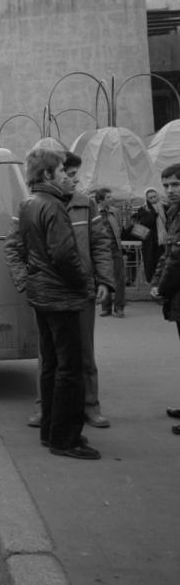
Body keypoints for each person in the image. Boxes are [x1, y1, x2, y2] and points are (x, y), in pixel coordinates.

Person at [7, 151, 114, 430]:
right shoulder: (32, 206)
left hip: (83, 292)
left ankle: (91, 406)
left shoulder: (85, 205)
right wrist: (25, 280)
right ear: (51, 174)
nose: (71, 178)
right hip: (55, 292)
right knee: (51, 356)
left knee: (84, 354)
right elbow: (13, 249)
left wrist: (104, 281)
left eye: (73, 173)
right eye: (65, 172)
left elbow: (100, 244)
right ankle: (46, 409)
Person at [149, 163, 180, 436]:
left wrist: (162, 288)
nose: (169, 190)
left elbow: (177, 258)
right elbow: (168, 252)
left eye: (175, 184)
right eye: (166, 184)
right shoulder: (173, 212)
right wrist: (157, 281)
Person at [95, 187, 126, 317]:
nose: (111, 199)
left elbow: (119, 228)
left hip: (115, 248)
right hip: (102, 250)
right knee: (104, 277)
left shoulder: (115, 212)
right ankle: (105, 307)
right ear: (101, 200)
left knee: (120, 278)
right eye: (108, 197)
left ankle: (119, 307)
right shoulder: (94, 213)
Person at [134, 187, 168, 283]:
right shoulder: (143, 209)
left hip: (164, 241)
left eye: (155, 196)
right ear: (147, 199)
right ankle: (153, 284)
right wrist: (153, 211)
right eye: (150, 198)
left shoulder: (165, 207)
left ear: (158, 196)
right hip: (150, 242)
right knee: (151, 265)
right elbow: (147, 223)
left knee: (165, 264)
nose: (153, 199)